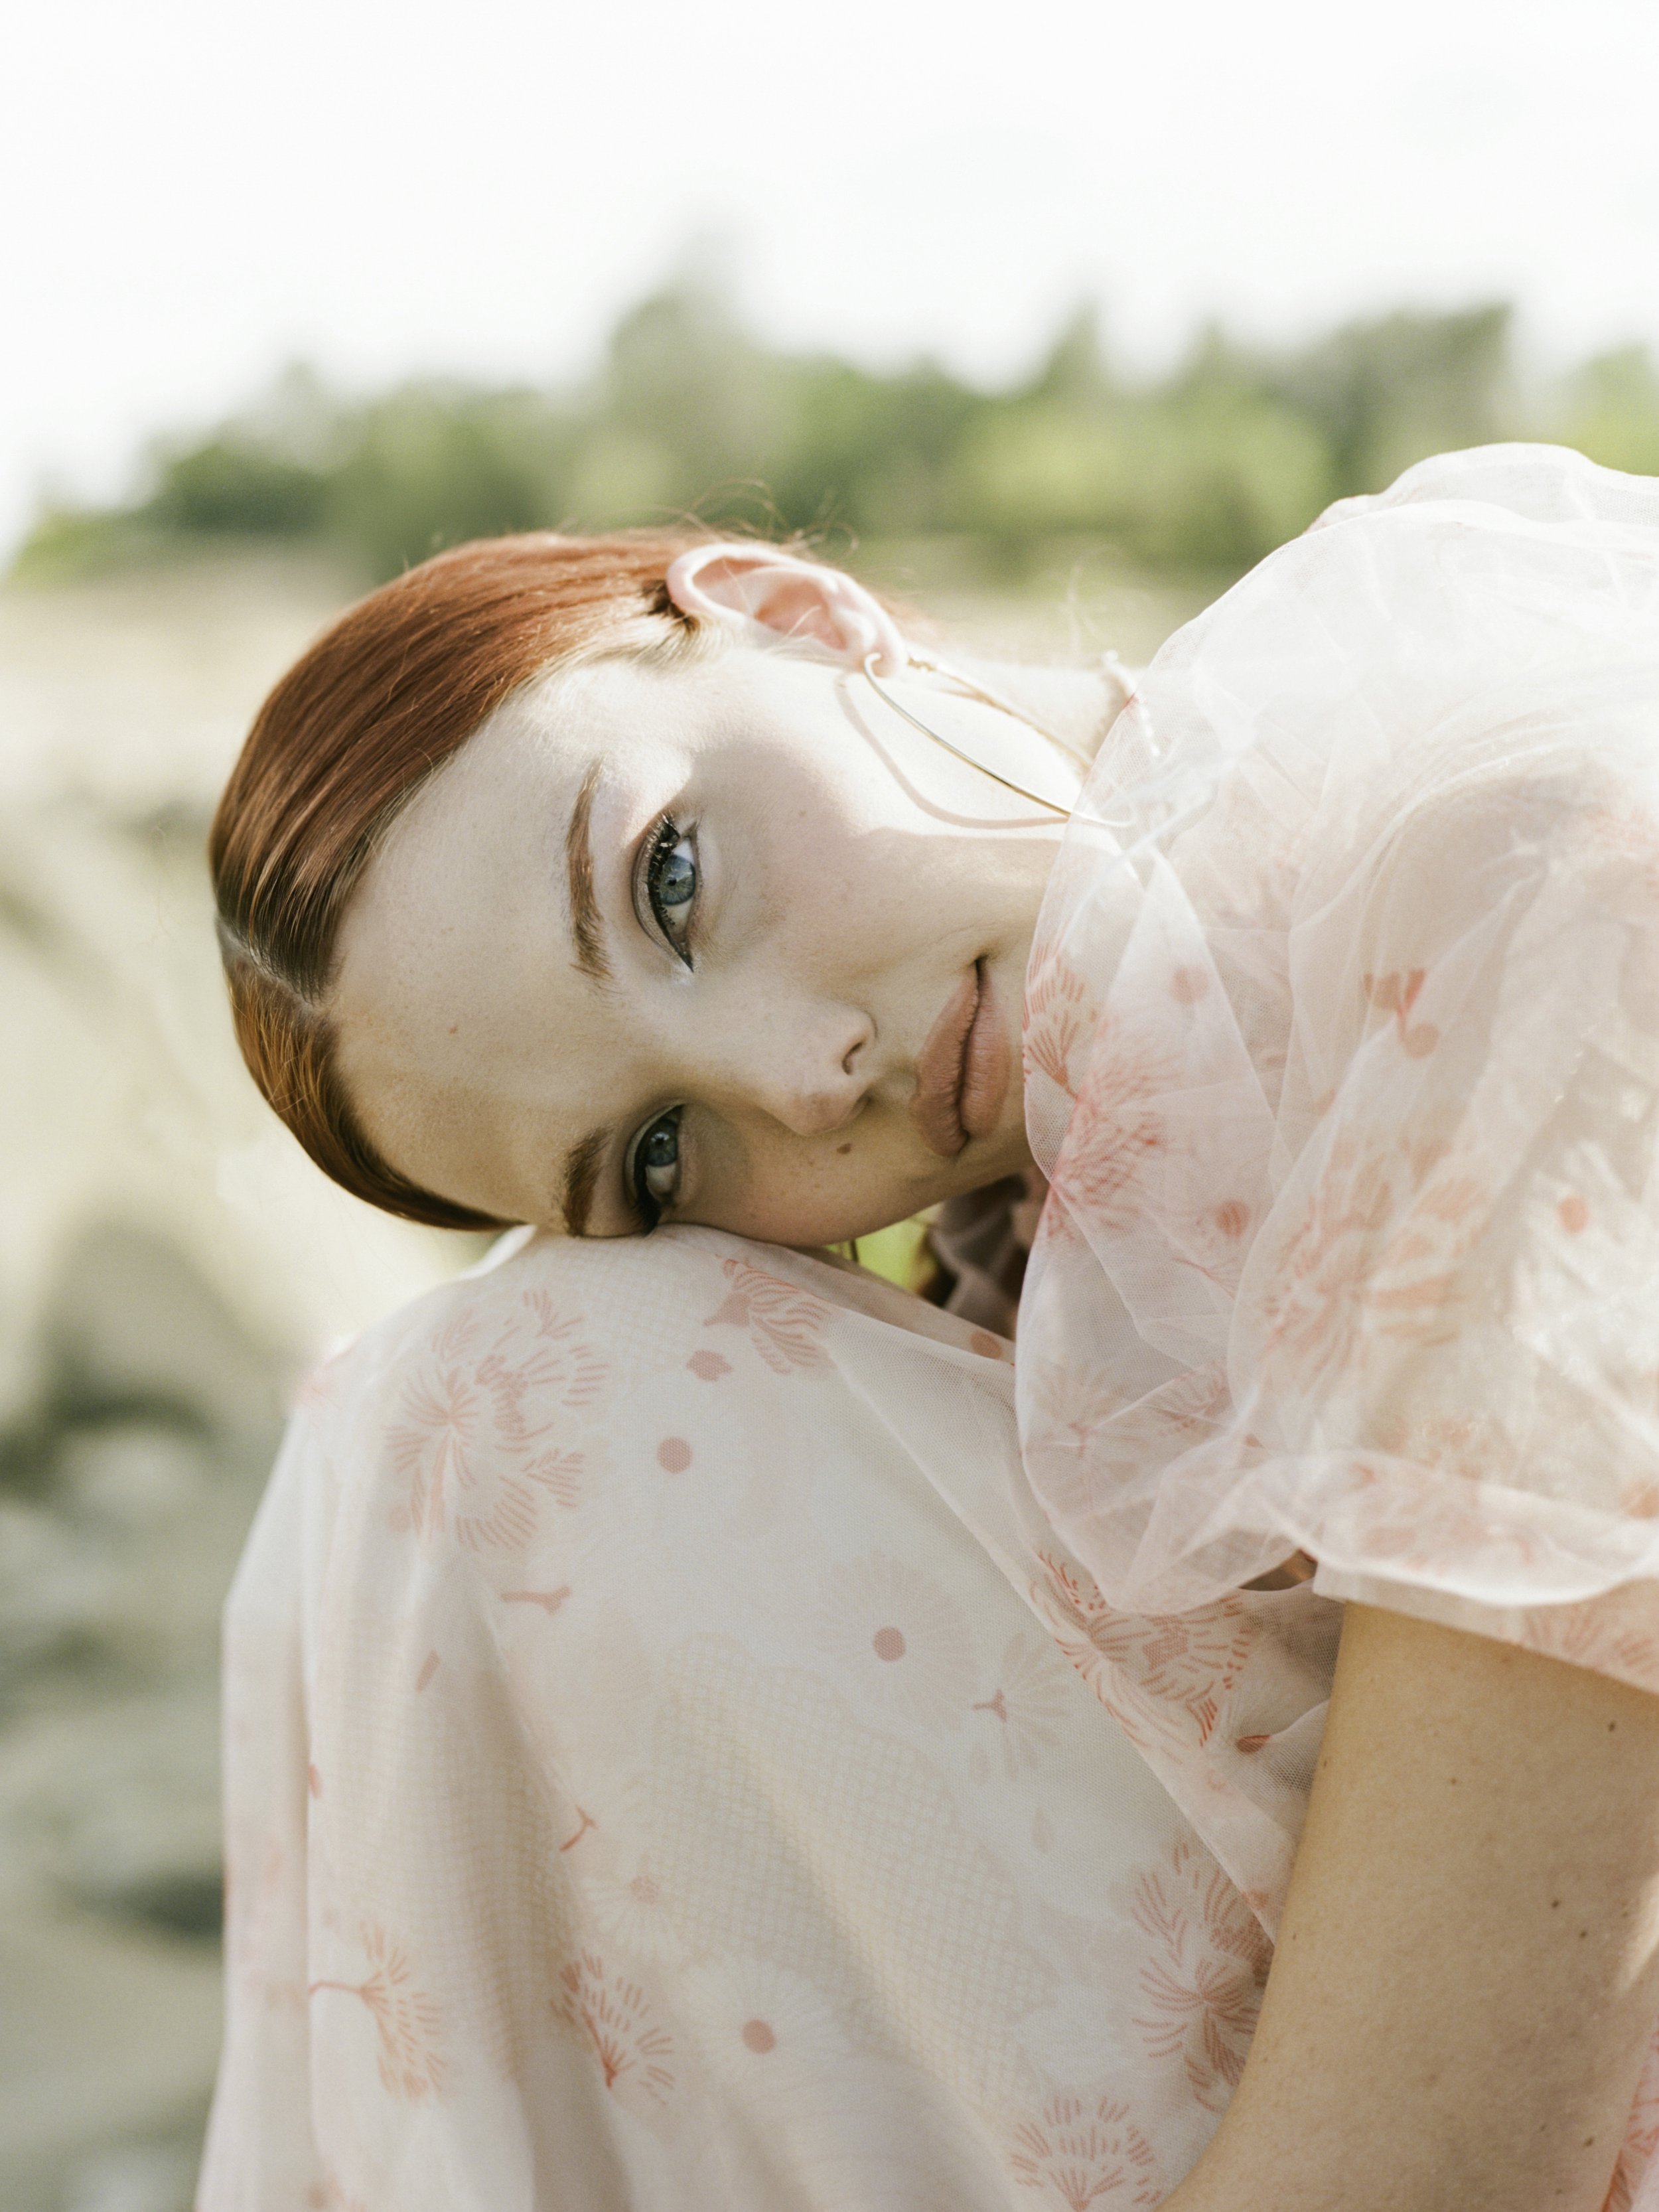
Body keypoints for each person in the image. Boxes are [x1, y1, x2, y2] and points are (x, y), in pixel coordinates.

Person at [200, 445, 1659, 2211]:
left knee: (483, 1417)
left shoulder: (1531, 875)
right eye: (661, 1159)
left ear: (801, 616)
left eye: (671, 883)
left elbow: (1420, 2178)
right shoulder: (1041, 1221)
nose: (797, 1080)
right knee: (406, 1432)